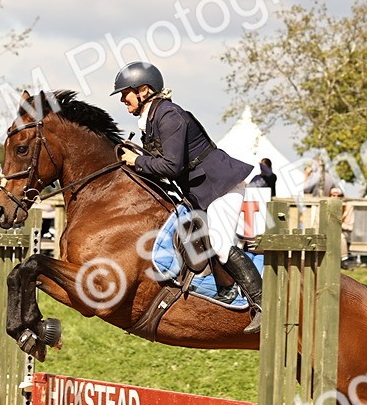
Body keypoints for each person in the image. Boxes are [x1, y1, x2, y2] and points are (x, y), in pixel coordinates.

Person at [112, 61, 263, 333]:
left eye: (126, 93)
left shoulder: (169, 115)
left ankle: (262, 303)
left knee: (219, 242)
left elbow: (171, 166)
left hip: (221, 185)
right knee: (201, 241)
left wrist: (137, 161)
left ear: (144, 91)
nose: (123, 99)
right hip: (201, 191)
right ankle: (226, 292)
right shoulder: (152, 119)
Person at [329, 187, 356, 268]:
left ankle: (344, 260)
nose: (336, 197)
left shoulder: (349, 206)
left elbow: (349, 225)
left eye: (339, 195)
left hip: (344, 232)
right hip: (328, 231)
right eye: (333, 195)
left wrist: (337, 224)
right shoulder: (325, 205)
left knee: (341, 236)